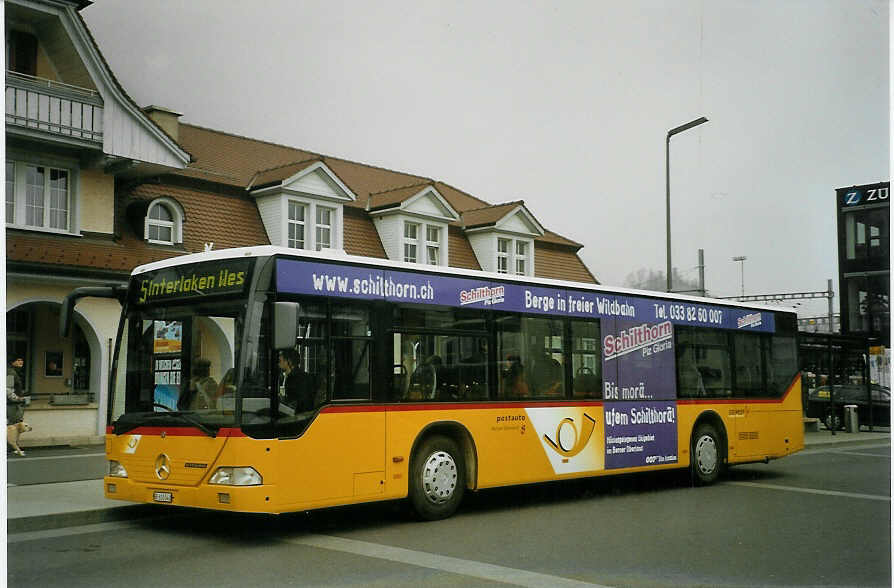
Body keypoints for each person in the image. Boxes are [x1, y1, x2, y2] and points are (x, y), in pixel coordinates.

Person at [7, 356, 26, 426]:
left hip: (13, 404)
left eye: (22, 360)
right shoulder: (11, 372)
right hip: (11, 404)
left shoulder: (14, 371)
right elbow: (8, 389)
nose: (21, 362)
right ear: (12, 362)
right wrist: (17, 398)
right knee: (13, 427)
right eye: (18, 360)